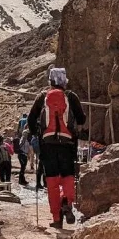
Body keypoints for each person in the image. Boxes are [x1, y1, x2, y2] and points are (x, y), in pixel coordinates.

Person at [27, 68, 85, 229]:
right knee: (67, 176)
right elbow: (81, 118)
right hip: (67, 144)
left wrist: (35, 133)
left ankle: (56, 218)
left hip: (48, 144)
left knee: (51, 180)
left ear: (50, 81)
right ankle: (66, 200)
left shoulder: (42, 97)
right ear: (64, 81)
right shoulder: (71, 97)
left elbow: (31, 119)